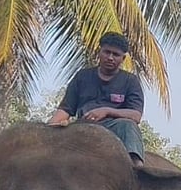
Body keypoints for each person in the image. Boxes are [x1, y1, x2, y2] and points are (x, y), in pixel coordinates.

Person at [49, 31, 146, 163]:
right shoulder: (82, 77)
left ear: (123, 59)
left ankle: (138, 169)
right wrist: (47, 131)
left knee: (128, 126)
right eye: (107, 52)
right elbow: (65, 110)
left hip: (114, 128)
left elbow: (136, 115)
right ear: (99, 52)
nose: (110, 57)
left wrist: (106, 111)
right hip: (82, 127)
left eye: (116, 54)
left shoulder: (130, 81)